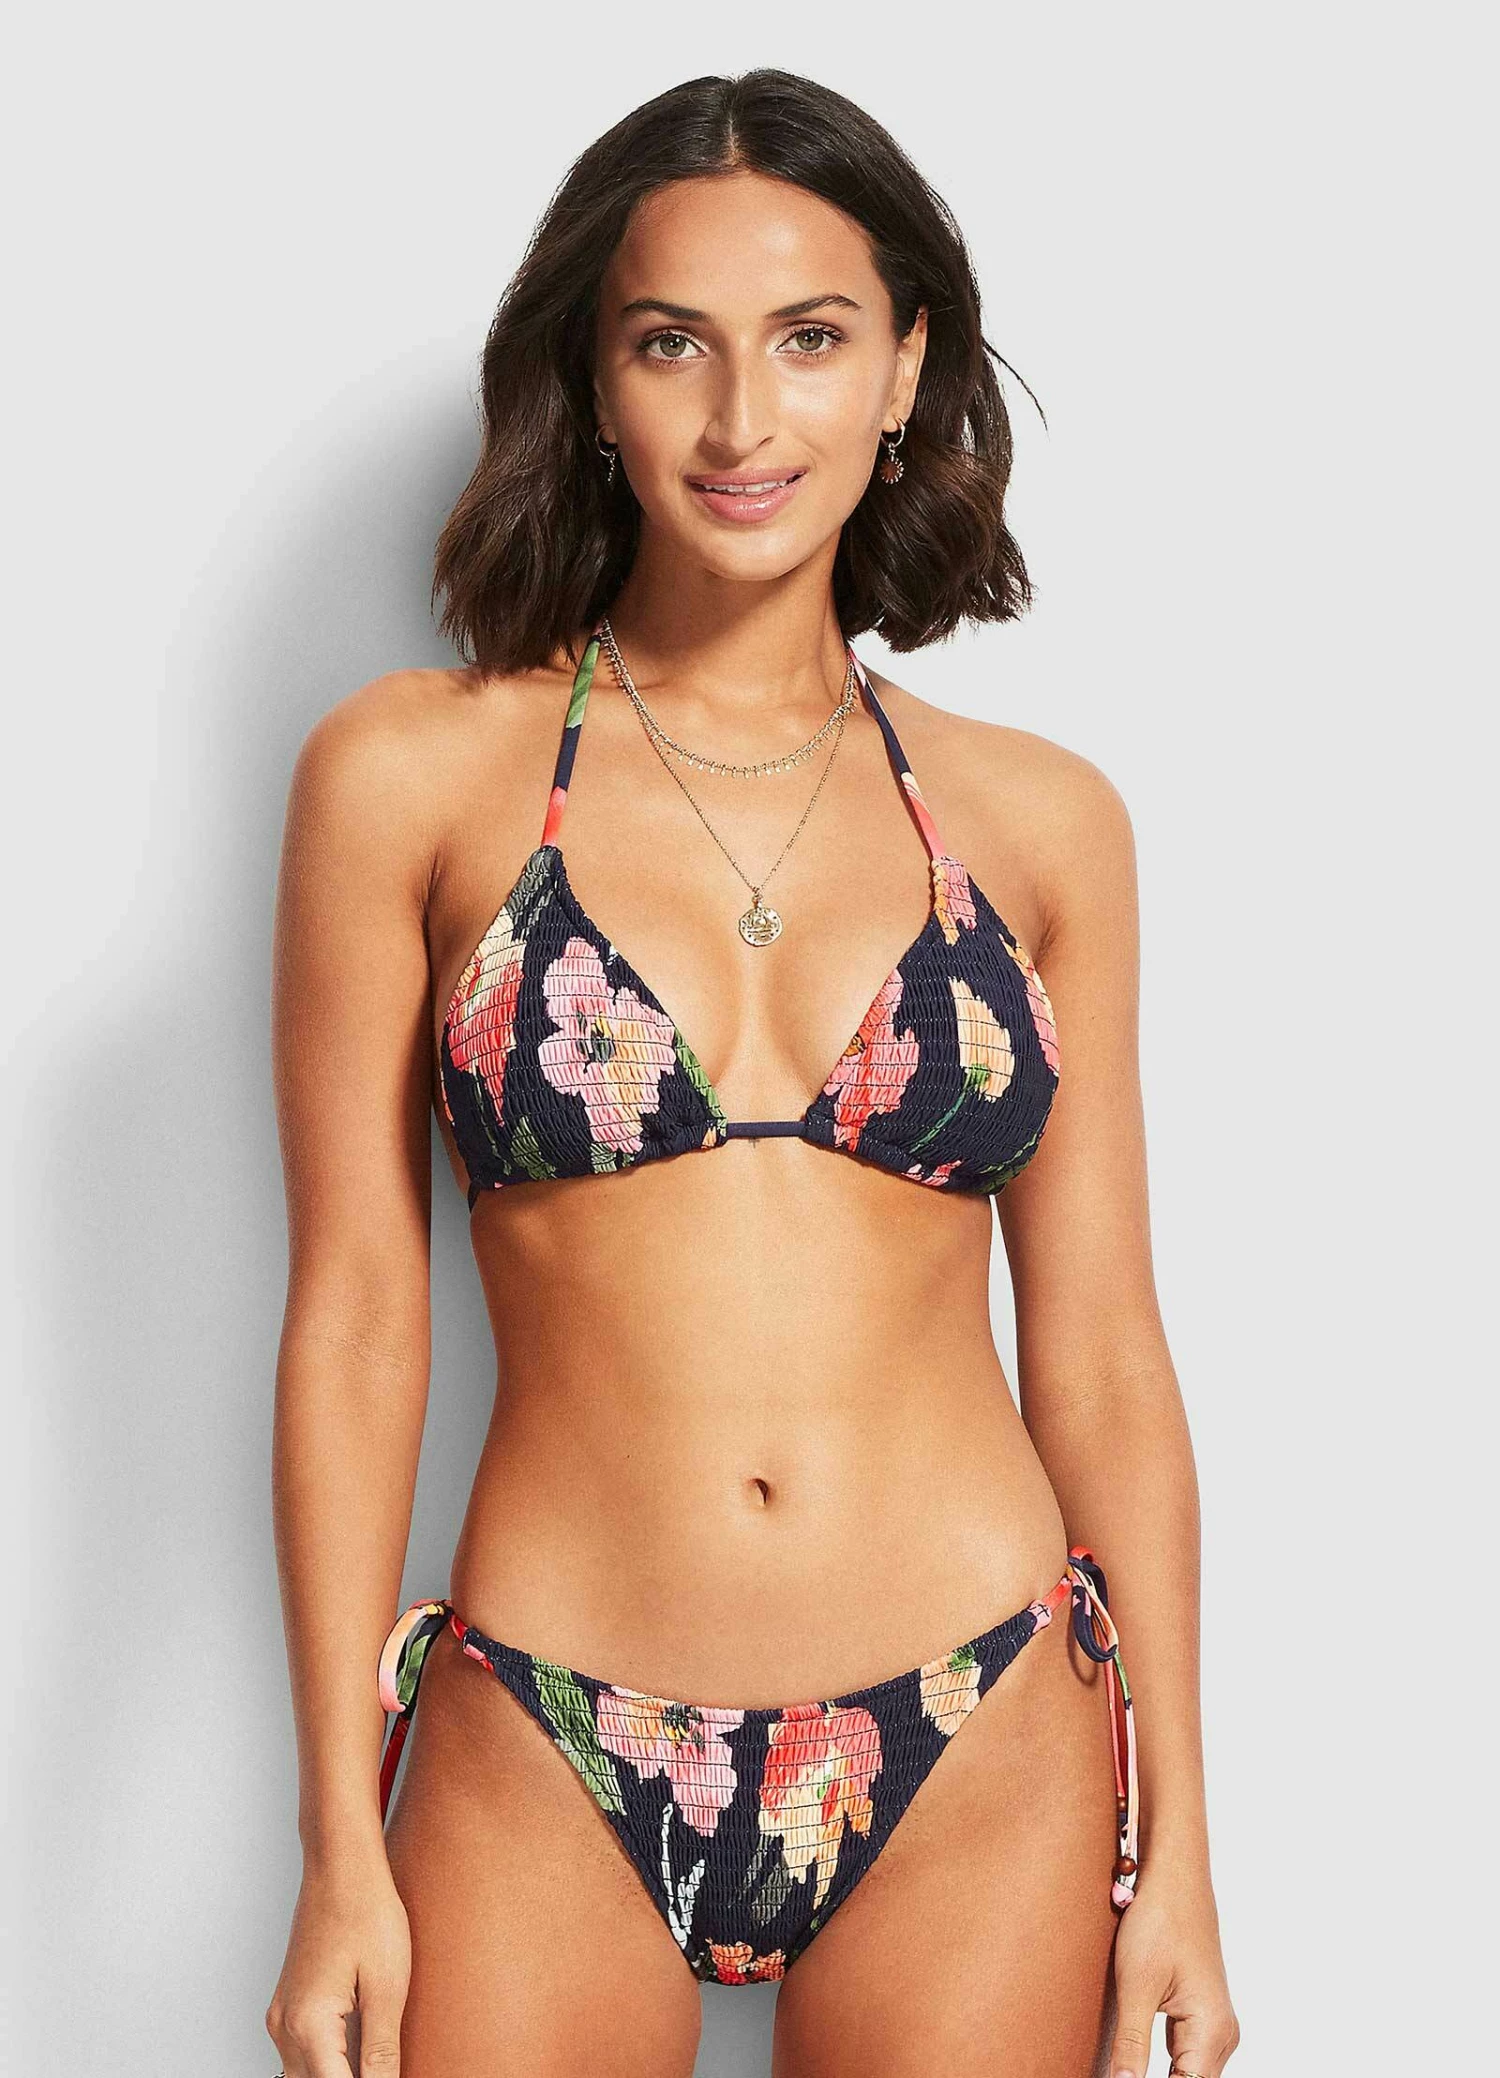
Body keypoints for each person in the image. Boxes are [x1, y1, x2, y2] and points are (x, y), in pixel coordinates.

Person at [265, 67, 1239, 2078]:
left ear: (904, 372)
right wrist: (334, 1843)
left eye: (808, 340)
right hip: (550, 1721)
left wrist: (1190, 1856)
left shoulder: (1041, 824)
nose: (739, 421)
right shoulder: (412, 776)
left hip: (983, 1720)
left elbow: (1105, 1356)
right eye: (669, 344)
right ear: (589, 382)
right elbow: (358, 1313)